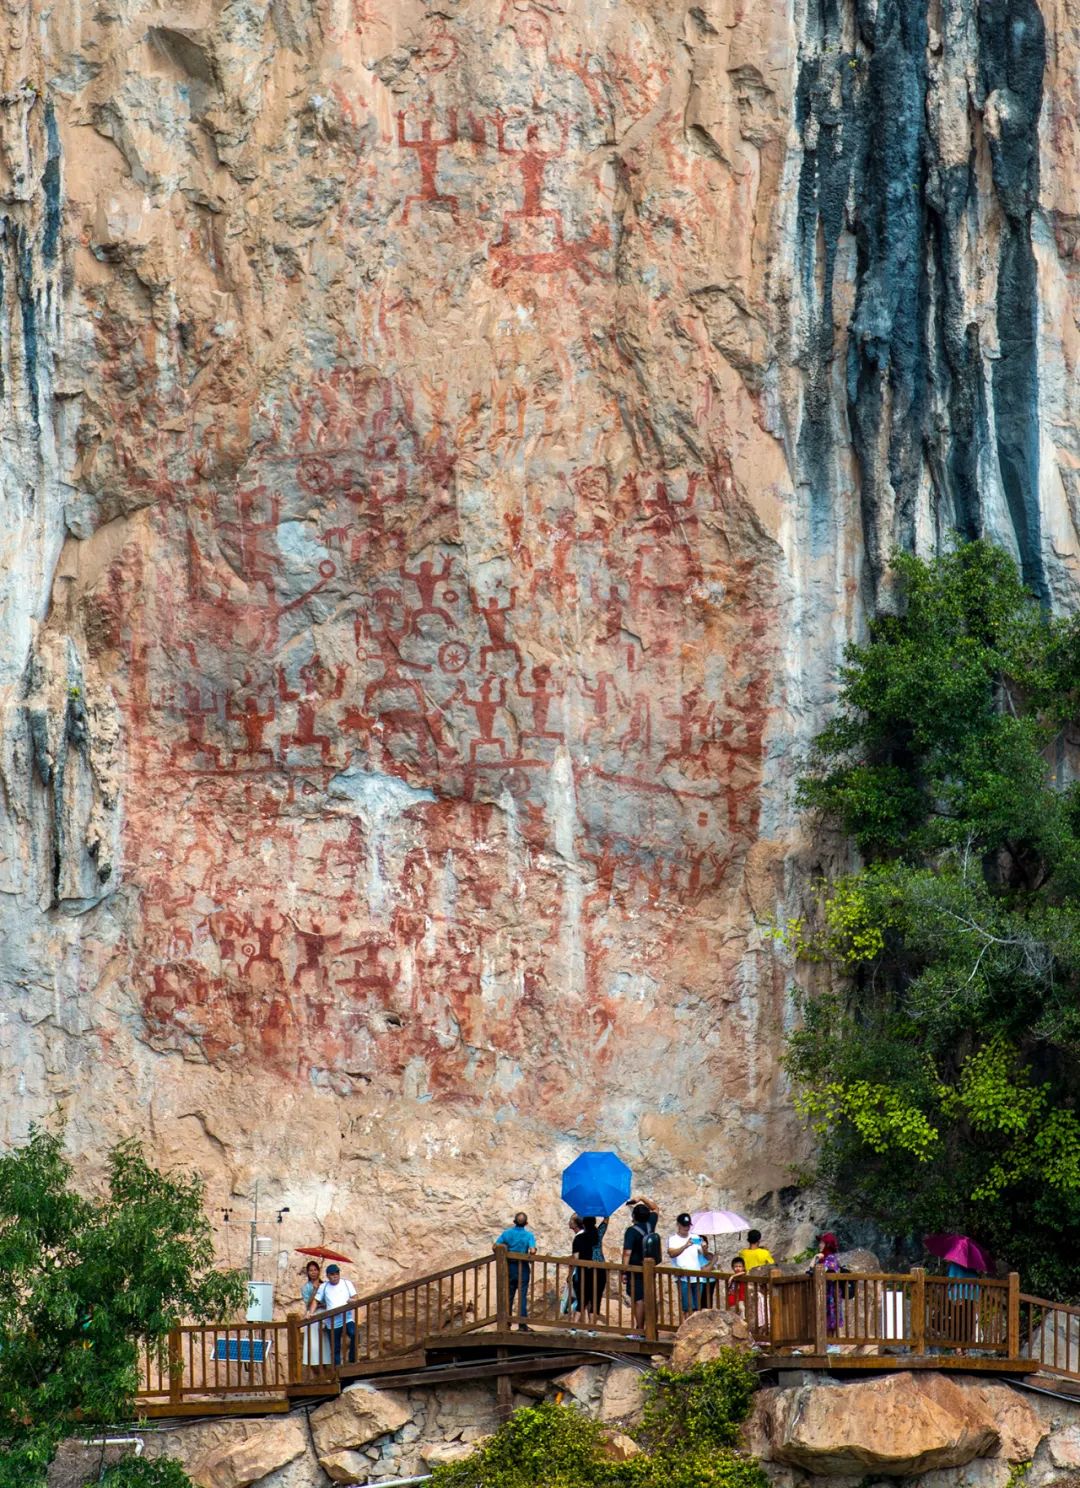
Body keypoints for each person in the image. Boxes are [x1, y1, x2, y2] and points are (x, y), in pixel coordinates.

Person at [622, 1202, 662, 1337]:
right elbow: (655, 1208)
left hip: (636, 1270)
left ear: (634, 1216)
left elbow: (627, 1253)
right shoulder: (651, 1223)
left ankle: (639, 1330)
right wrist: (641, 1198)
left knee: (638, 1299)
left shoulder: (631, 1231)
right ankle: (652, 1330)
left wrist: (624, 1271)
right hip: (650, 1269)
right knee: (649, 1298)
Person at [495, 1211, 537, 1330]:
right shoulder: (529, 1236)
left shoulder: (507, 1233)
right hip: (522, 1267)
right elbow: (533, 1251)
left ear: (514, 1222)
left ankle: (506, 1323)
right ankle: (522, 1324)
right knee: (522, 1295)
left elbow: (495, 1246)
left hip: (509, 1267)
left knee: (509, 1295)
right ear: (526, 1223)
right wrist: (532, 1252)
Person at [667, 1213, 711, 1315]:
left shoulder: (695, 1237)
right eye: (684, 1225)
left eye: (688, 1225)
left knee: (697, 1307)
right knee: (687, 1307)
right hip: (683, 1277)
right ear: (678, 1224)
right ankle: (687, 1329)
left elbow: (704, 1255)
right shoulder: (673, 1239)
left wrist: (704, 1249)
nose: (686, 1227)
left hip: (697, 1276)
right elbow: (672, 1253)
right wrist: (685, 1246)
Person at [314, 1262, 358, 1365]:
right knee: (335, 1348)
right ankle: (338, 1371)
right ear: (328, 1276)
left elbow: (355, 1297)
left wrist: (352, 1301)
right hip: (332, 1322)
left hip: (346, 1318)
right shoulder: (324, 1286)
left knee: (354, 1334)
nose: (335, 1276)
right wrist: (310, 1312)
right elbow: (315, 1301)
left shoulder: (346, 1283)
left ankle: (352, 1361)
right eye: (332, 1274)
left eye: (337, 1274)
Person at [572, 1215, 608, 1329]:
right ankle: (592, 1328)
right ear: (594, 1223)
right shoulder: (598, 1235)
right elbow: (606, 1221)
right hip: (600, 1270)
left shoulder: (578, 1238)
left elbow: (576, 1258)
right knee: (595, 1299)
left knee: (582, 1299)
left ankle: (573, 1326)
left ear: (583, 1224)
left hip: (585, 1270)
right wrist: (603, 1210)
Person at [807, 1232, 843, 1337]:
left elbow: (822, 1272)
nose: (820, 1245)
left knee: (831, 1318)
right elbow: (810, 1271)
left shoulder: (830, 1258)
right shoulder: (823, 1258)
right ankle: (828, 1343)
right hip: (824, 1294)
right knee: (825, 1318)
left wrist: (816, 1259)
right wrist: (815, 1258)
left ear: (827, 1244)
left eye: (822, 1243)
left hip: (831, 1294)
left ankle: (833, 1344)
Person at [300, 1261, 328, 1367]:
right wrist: (315, 1290)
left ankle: (326, 1362)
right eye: (310, 1270)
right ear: (307, 1272)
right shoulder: (306, 1287)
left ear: (319, 1271)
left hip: (324, 1312)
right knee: (314, 1341)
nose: (313, 1272)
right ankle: (315, 1363)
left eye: (315, 1270)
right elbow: (308, 1303)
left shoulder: (325, 1285)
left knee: (325, 1340)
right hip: (313, 1314)